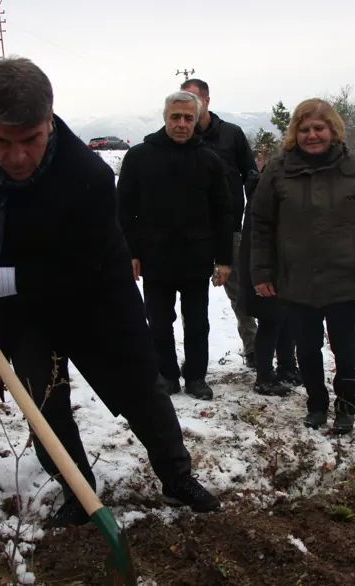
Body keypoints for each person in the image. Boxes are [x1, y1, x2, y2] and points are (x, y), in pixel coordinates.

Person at [0, 58, 220, 527]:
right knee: (41, 399)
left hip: (97, 292)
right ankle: (77, 492)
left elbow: (78, 268)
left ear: (50, 119)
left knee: (140, 390)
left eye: (31, 140)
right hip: (24, 302)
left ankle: (177, 476)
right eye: (1, 142)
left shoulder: (90, 179)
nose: (17, 157)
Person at [250, 98, 355, 434]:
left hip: (343, 277)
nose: (312, 135)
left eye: (319, 128)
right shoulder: (277, 170)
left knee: (346, 349)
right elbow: (260, 224)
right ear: (294, 133)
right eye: (304, 129)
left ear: (333, 130)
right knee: (307, 349)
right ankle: (316, 405)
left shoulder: (354, 169)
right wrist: (261, 272)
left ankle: (347, 409)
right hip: (296, 279)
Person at [117, 90, 233, 401]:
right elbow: (124, 210)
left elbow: (224, 212)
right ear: (165, 117)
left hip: (197, 256)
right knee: (158, 321)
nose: (181, 124)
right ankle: (165, 374)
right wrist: (130, 253)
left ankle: (196, 376)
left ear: (196, 120)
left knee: (197, 323)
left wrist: (224, 258)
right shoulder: (140, 157)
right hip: (155, 257)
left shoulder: (209, 160)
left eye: (188, 118)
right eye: (175, 117)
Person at [180, 79, 259, 368]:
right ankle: (194, 360)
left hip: (231, 229)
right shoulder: (180, 137)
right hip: (192, 232)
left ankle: (254, 349)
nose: (189, 105)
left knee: (241, 293)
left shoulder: (231, 134)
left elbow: (251, 177)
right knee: (192, 298)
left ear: (207, 101)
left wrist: (254, 221)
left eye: (194, 99)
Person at [238, 165, 300, 397]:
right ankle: (264, 376)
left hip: (283, 269)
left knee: (285, 319)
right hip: (264, 271)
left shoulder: (277, 193)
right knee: (271, 321)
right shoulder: (263, 196)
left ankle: (287, 367)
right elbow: (260, 240)